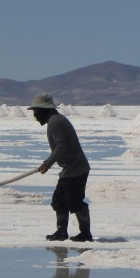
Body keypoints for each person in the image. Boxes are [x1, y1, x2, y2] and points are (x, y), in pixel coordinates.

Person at [27, 93, 93, 242]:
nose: (35, 116)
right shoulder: (56, 120)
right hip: (70, 169)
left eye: (36, 112)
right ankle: (61, 232)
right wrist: (49, 163)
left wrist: (47, 163)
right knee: (59, 200)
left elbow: (61, 146)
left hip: (75, 169)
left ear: (44, 110)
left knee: (75, 202)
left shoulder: (55, 122)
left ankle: (86, 234)